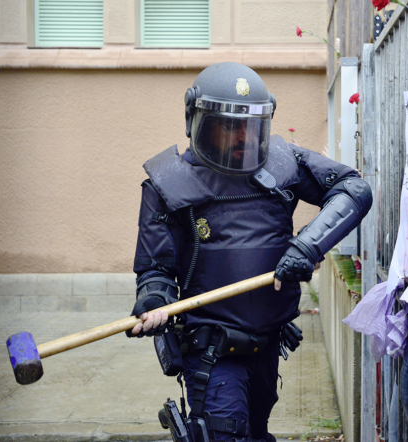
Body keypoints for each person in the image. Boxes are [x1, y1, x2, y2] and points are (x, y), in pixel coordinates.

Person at [125, 63, 372, 442]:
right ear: (197, 120)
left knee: (257, 433)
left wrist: (307, 245)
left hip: (268, 343)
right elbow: (155, 270)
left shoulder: (283, 162)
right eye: (227, 125)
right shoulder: (167, 183)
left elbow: (353, 189)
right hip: (211, 351)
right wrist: (155, 299)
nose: (240, 136)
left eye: (249, 126)